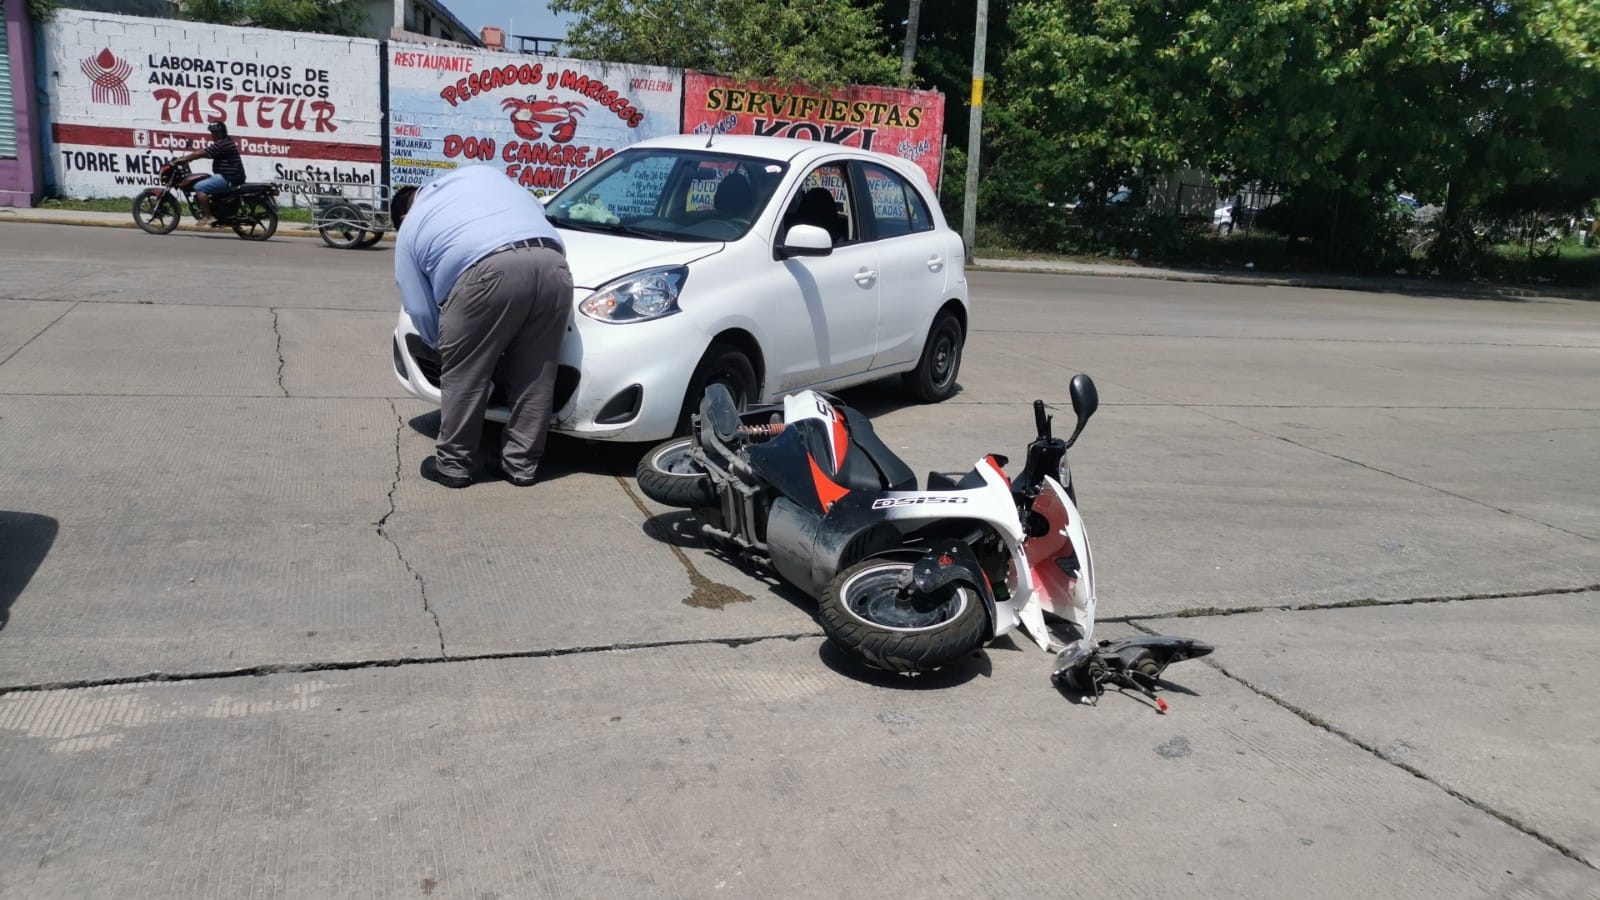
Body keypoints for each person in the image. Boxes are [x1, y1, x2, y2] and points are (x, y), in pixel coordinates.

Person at [391, 166, 573, 489]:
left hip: (487, 271)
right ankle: (521, 465)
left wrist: (444, 346)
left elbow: (418, 306)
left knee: (465, 373)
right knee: (536, 374)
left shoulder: (411, 225)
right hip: (554, 264)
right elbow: (535, 208)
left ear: (403, 215)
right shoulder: (480, 176)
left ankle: (453, 465)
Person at [173, 120, 245, 226]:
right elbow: (207, 154)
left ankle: (208, 216)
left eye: (216, 132)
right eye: (212, 132)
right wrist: (191, 158)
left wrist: (183, 159)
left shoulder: (223, 143)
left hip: (228, 178)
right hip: (231, 177)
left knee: (199, 187)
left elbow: (201, 153)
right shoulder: (226, 142)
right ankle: (217, 212)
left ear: (223, 132)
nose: (213, 135)